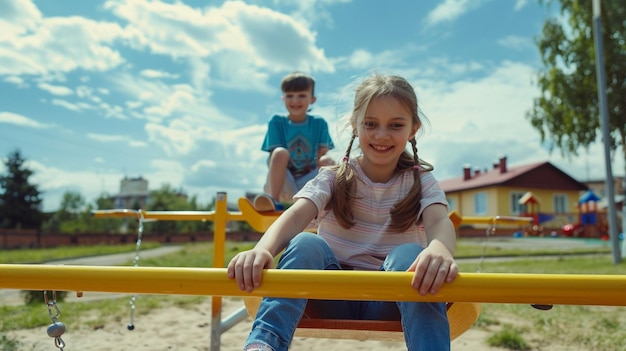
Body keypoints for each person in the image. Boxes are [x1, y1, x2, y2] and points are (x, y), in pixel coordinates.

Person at [229, 73, 458, 351]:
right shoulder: (334, 177)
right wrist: (262, 249)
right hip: (330, 296)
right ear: (354, 125)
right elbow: (298, 214)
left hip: (390, 300)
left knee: (412, 254)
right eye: (370, 124)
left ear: (412, 129)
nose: (381, 134)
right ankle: (265, 344)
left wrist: (440, 250)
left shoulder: (420, 181)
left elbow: (438, 219)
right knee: (305, 242)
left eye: (395, 125)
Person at [254, 72, 335, 212]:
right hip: (283, 182)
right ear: (283, 98)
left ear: (312, 99)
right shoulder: (277, 121)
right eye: (290, 96)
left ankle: (333, 202)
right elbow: (275, 156)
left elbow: (322, 152)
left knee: (327, 160)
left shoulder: (319, 123)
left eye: (302, 95)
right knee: (279, 152)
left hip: (309, 180)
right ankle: (273, 201)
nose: (295, 101)